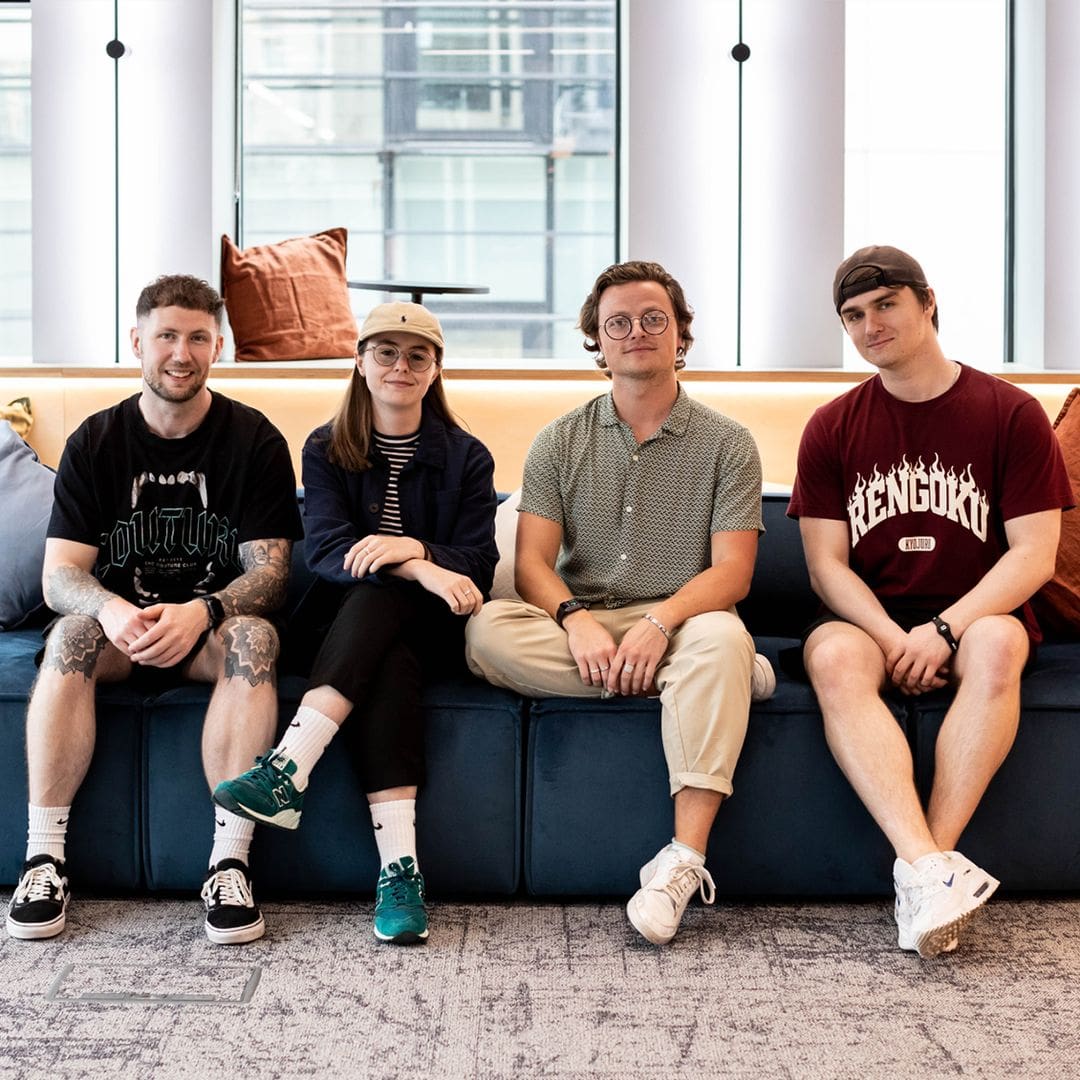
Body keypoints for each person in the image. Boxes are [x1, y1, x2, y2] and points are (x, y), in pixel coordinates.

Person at [465, 260, 775, 947]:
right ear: (597, 342)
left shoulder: (729, 444)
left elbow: (733, 574)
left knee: (719, 636)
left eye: (653, 318)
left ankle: (682, 861)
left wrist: (661, 625)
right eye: (619, 323)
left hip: (687, 618)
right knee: (487, 633)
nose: (637, 332)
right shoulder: (558, 440)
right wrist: (575, 623)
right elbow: (533, 566)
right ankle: (707, 689)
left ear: (680, 334)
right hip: (587, 625)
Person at [788, 245, 1073, 958]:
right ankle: (931, 874)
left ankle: (926, 870)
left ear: (927, 301)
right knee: (832, 658)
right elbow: (826, 568)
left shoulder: (1010, 413)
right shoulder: (831, 424)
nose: (870, 324)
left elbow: (1033, 554)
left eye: (886, 304)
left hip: (976, 614)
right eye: (854, 315)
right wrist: (892, 636)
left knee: (1000, 642)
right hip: (872, 615)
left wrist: (945, 629)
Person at [6, 275, 303, 945]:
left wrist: (204, 610)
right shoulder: (96, 442)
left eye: (197, 337)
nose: (181, 352)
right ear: (136, 341)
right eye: (166, 335)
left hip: (206, 637)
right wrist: (112, 610)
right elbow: (60, 577)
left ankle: (229, 863)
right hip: (119, 635)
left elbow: (272, 575)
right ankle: (43, 859)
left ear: (217, 347)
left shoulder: (254, 440)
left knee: (256, 636)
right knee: (71, 634)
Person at [213, 302, 498, 945]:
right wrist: (421, 564)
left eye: (417, 355)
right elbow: (326, 552)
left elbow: (479, 563)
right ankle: (401, 873)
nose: (401, 366)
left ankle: (287, 769)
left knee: (388, 611)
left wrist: (410, 550)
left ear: (435, 369)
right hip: (344, 624)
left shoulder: (467, 458)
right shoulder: (324, 447)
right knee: (382, 631)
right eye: (386, 352)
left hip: (438, 630)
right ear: (361, 362)